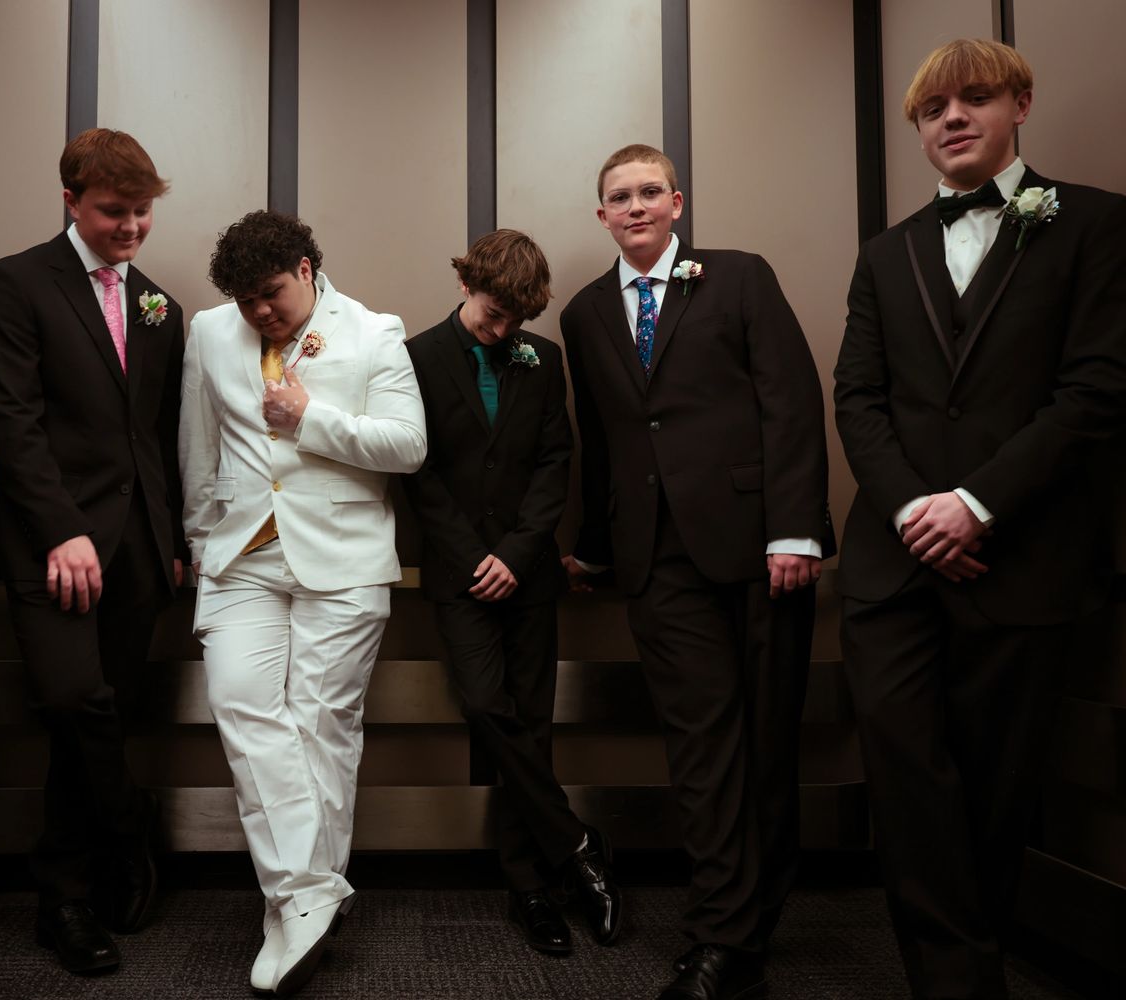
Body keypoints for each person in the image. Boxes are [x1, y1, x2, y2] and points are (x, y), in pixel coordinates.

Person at [833, 39, 1126, 999]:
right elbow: (857, 397)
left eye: (974, 99)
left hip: (1023, 561)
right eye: (933, 110)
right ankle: (959, 986)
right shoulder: (886, 253)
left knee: (998, 791)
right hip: (893, 569)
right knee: (907, 782)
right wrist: (916, 511)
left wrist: (977, 505)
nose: (952, 119)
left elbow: (1098, 386)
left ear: (1021, 104)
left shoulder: (1092, 222)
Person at [561, 144, 832, 1000]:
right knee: (702, 748)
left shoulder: (741, 278)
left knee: (765, 740)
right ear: (600, 214)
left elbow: (791, 400)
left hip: (759, 548)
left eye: (649, 192)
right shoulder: (585, 313)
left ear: (677, 203)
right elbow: (602, 440)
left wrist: (795, 530)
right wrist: (595, 547)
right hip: (655, 561)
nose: (635, 206)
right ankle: (722, 935)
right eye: (618, 197)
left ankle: (755, 913)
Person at [179, 210, 426, 994]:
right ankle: (310, 892)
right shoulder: (209, 333)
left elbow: (407, 444)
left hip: (343, 557)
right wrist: (199, 544)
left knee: (321, 724)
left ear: (308, 267)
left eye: (271, 293)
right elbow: (199, 448)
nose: (259, 312)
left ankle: (293, 906)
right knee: (243, 705)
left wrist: (311, 419)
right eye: (245, 299)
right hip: (239, 555)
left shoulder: (375, 331)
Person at [0, 128, 185, 975]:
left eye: (142, 213)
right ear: (69, 199)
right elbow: (12, 421)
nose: (130, 227)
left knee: (104, 716)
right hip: (49, 543)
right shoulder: (16, 282)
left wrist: (168, 541)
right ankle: (130, 832)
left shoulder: (162, 305)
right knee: (73, 701)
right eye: (112, 211)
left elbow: (160, 436)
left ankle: (65, 899)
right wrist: (63, 528)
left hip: (139, 554)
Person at [402, 229, 620, 954]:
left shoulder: (542, 358)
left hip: (528, 575)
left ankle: (531, 888)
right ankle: (578, 844)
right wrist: (475, 558)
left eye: (515, 322)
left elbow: (556, 463)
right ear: (466, 283)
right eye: (494, 314)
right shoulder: (415, 358)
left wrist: (519, 554)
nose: (503, 331)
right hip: (459, 574)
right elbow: (419, 474)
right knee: (488, 707)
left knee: (534, 722)